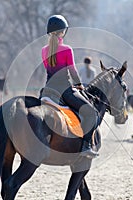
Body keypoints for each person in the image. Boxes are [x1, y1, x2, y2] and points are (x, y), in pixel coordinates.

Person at [41, 15, 98, 158]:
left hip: (47, 90)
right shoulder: (67, 49)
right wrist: (79, 84)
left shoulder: (43, 50)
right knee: (91, 113)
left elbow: (47, 68)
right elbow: (72, 70)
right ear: (62, 32)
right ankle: (86, 146)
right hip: (64, 89)